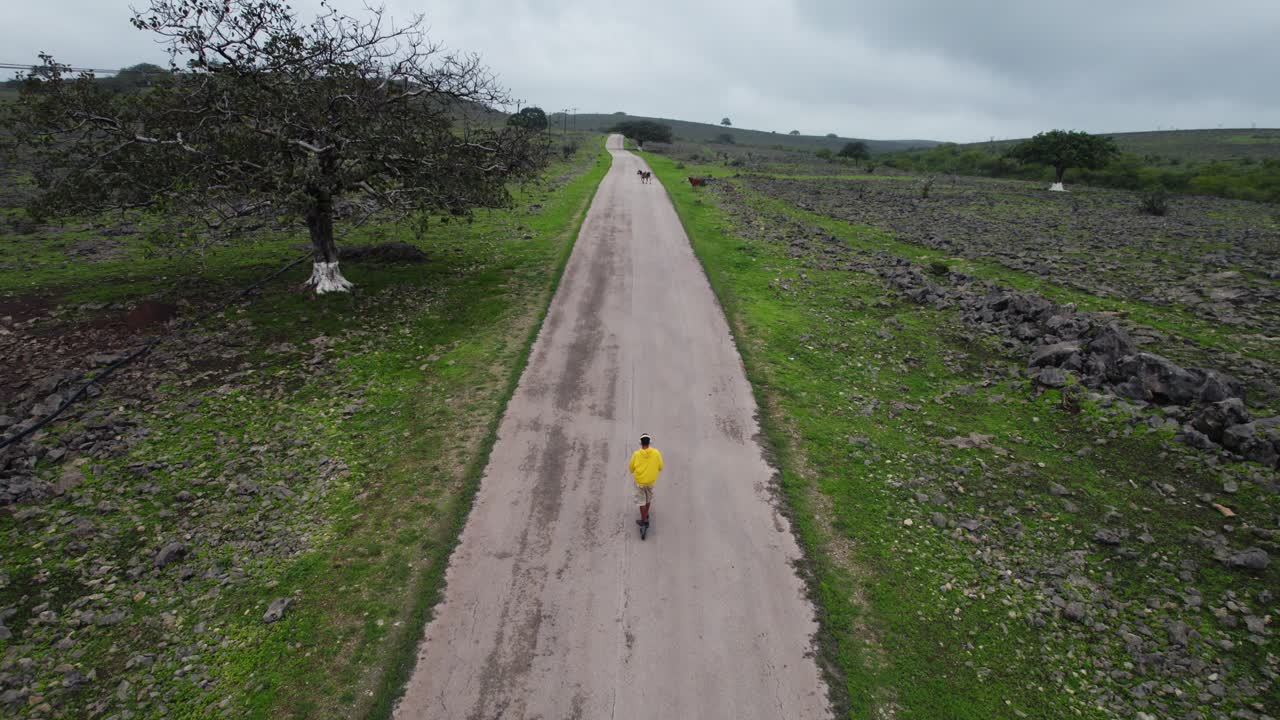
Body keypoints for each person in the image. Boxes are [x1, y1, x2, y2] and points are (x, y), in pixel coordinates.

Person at [628, 433, 663, 529]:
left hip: (640, 482)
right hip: (651, 482)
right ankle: (646, 514)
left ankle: (644, 520)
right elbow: (661, 467)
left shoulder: (636, 454)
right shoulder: (656, 453)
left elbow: (631, 469)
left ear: (640, 443)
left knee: (641, 502)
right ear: (649, 443)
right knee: (648, 499)